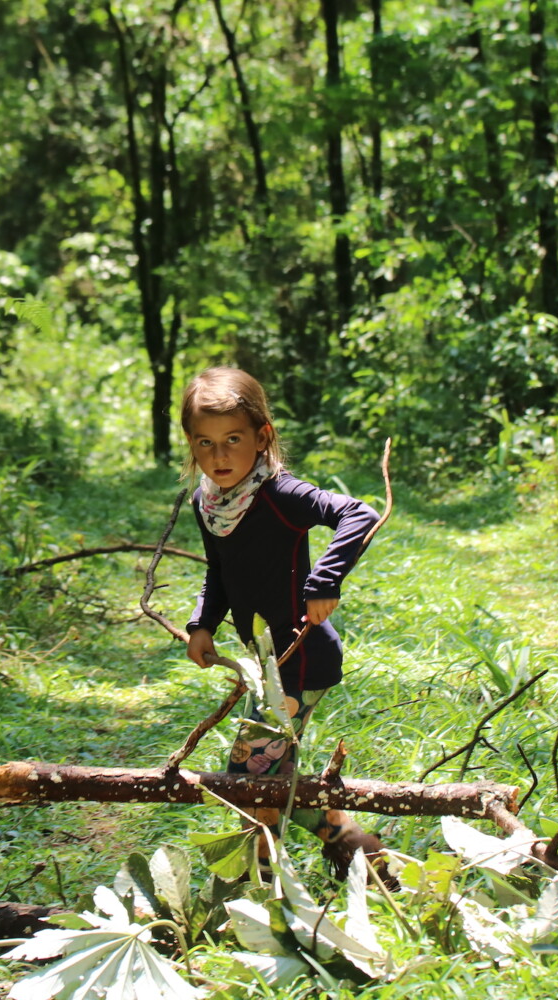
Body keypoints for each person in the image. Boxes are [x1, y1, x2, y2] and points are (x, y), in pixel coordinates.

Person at [180, 365, 392, 880]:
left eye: (233, 439)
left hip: (302, 660)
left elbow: (357, 515)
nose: (220, 455)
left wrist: (324, 581)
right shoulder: (208, 503)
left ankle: (258, 888)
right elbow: (220, 571)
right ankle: (356, 848)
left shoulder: (280, 495)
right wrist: (202, 623)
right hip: (268, 660)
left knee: (248, 774)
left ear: (262, 436)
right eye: (205, 443)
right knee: (273, 776)